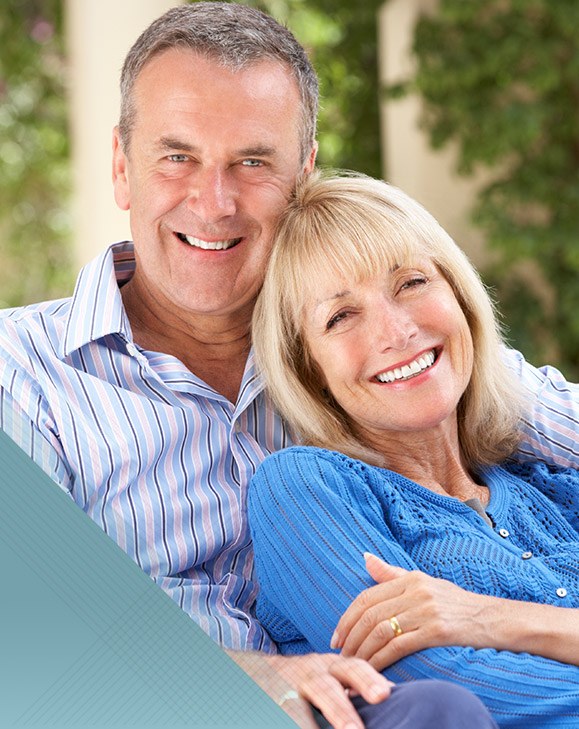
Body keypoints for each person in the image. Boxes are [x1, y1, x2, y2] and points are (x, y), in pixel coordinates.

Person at [0, 2, 575, 726]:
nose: (213, 203)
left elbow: (516, 401)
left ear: (302, 173)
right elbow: (21, 642)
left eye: (252, 161)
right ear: (122, 166)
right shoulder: (19, 373)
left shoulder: (375, 358)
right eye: (177, 156)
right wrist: (250, 678)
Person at [247, 170, 579, 727]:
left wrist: (487, 618)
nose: (395, 331)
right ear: (312, 369)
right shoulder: (304, 489)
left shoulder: (551, 486)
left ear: (459, 297)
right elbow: (433, 682)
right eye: (341, 316)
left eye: (411, 283)